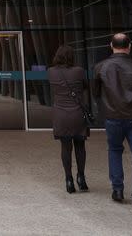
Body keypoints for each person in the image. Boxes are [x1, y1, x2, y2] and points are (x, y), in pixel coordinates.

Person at [92, 33, 132, 211]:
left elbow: (96, 93)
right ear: (129, 47)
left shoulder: (100, 67)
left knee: (114, 151)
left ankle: (118, 190)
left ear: (111, 45)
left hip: (113, 117)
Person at [48, 45, 89, 194]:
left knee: (65, 147)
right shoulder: (78, 71)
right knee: (80, 146)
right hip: (77, 114)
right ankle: (81, 178)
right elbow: (85, 87)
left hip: (60, 114)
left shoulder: (51, 72)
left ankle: (69, 180)